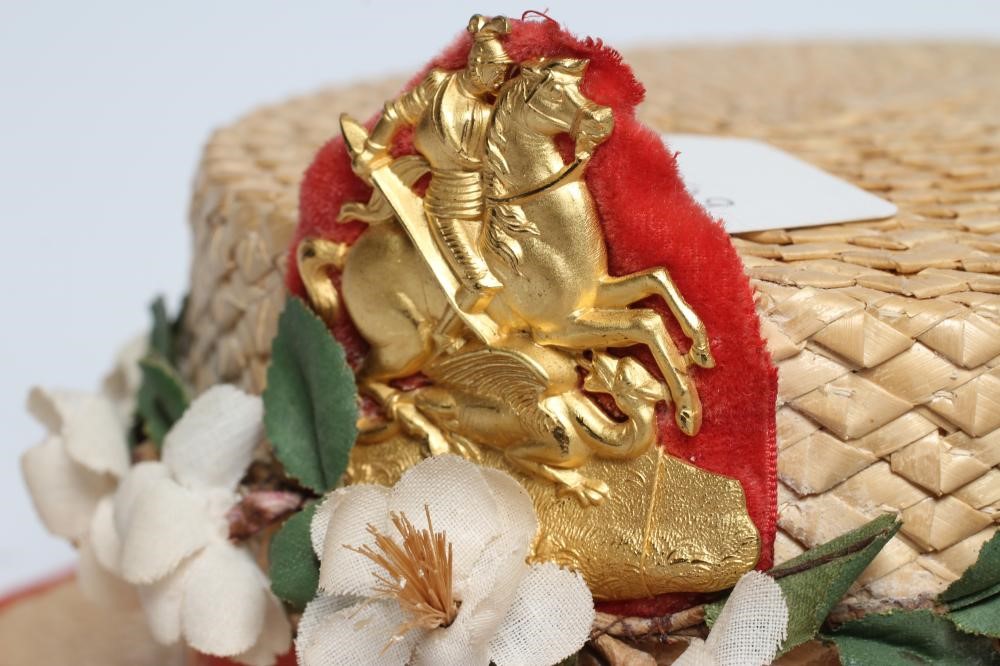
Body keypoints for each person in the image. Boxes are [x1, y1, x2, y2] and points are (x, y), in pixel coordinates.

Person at [353, 14, 514, 312]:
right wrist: (373, 149)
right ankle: (463, 303)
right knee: (472, 270)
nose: (501, 80)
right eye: (497, 72)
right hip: (445, 196)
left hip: (491, 203)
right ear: (478, 65)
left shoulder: (494, 110)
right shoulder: (439, 87)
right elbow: (397, 113)